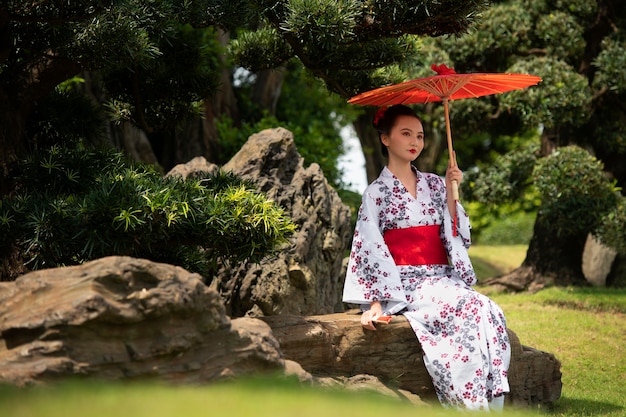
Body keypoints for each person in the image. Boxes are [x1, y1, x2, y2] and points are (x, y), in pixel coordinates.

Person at [342, 104, 510, 411]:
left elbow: (457, 234)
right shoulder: (376, 193)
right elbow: (370, 249)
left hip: (443, 277)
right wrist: (375, 303)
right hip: (406, 282)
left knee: (489, 309)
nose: (414, 142)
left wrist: (450, 192)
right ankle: (469, 405)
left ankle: (492, 400)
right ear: (385, 139)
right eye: (405, 134)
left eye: (419, 136)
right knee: (468, 305)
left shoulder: (434, 183)